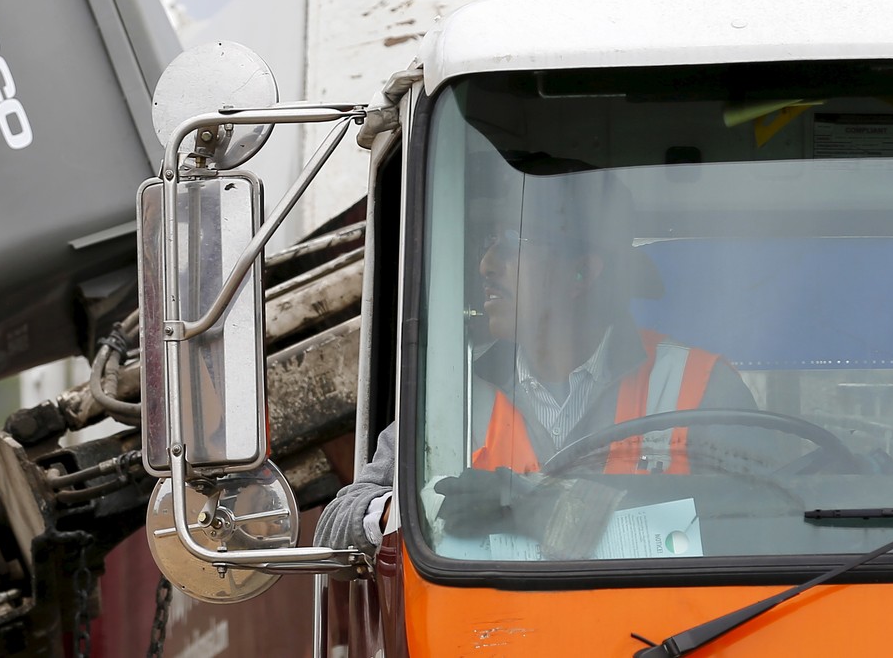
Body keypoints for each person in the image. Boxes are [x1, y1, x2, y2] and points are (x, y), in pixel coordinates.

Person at [314, 157, 758, 554]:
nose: (487, 265)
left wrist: (532, 503)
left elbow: (764, 523)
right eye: (491, 242)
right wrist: (413, 507)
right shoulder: (452, 394)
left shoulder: (699, 387)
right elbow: (334, 528)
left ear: (583, 271)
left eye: (515, 241)